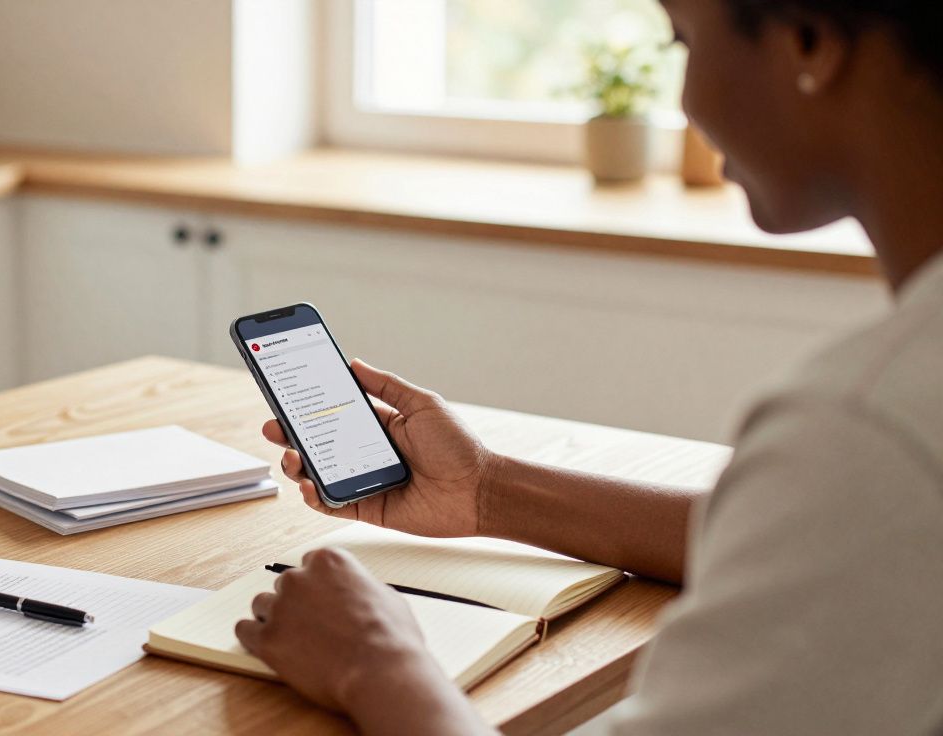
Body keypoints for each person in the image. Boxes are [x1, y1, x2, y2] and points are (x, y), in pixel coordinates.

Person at [233, 0, 943, 733]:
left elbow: (847, 503)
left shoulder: (869, 429)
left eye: (684, 40)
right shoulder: (875, 450)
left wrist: (375, 664)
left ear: (808, 41)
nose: (686, 99)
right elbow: (810, 537)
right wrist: (487, 491)